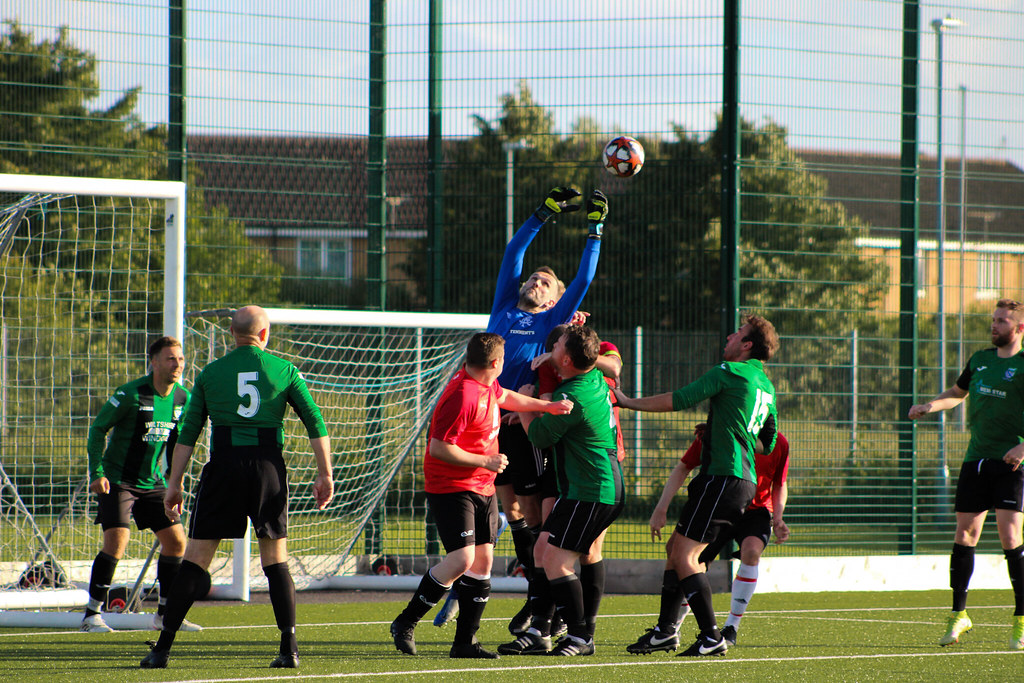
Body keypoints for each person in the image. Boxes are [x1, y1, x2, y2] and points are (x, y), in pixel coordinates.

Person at [139, 306, 333, 669]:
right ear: (264, 335)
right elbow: (315, 421)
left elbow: (188, 434)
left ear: (232, 333)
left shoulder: (211, 374)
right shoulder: (284, 369)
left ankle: (162, 649)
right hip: (267, 468)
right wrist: (325, 474)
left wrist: (174, 484)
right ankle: (288, 648)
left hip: (224, 466)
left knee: (195, 561)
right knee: (276, 560)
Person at [389, 332, 573, 659]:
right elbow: (438, 448)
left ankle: (464, 643)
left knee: (482, 563)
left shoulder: (487, 384)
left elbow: (509, 398)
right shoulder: (462, 394)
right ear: (495, 363)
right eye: (504, 357)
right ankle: (405, 621)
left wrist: (549, 406)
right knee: (463, 559)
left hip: (482, 486)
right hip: (452, 487)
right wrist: (484, 460)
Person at [615, 314, 779, 657]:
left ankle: (710, 635)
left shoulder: (729, 371)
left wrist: (628, 402)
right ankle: (664, 631)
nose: (730, 337)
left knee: (687, 555)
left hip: (724, 477)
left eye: (737, 334)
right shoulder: (766, 386)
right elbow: (769, 440)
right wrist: (736, 434)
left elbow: (679, 399)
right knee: (676, 547)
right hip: (735, 478)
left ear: (747, 345)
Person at [486, 186, 606, 633]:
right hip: (489, 420)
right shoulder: (503, 306)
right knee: (510, 510)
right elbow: (515, 249)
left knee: (535, 513)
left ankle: (545, 605)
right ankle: (535, 594)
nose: (537, 282)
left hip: (524, 422)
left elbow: (584, 281)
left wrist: (594, 231)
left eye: (546, 283)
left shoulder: (548, 323)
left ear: (555, 300)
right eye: (533, 278)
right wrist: (544, 213)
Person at [497, 324, 623, 657]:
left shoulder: (573, 397)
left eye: (557, 346)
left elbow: (538, 436)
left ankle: (581, 636)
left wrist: (525, 408)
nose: (550, 347)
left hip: (594, 489)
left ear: (565, 359)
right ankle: (541, 631)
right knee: (542, 550)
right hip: (588, 486)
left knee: (557, 559)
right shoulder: (589, 377)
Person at [908, 297, 1024, 651]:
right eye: (993, 319)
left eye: (1002, 321)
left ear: (1019, 329)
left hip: (1012, 464)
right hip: (976, 461)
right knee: (965, 534)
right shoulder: (980, 360)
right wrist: (931, 405)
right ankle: (959, 614)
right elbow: (957, 394)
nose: (994, 325)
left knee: (1009, 536)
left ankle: (1021, 620)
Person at [628, 424, 790, 653]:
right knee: (684, 557)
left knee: (751, 552)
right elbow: (684, 466)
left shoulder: (778, 443)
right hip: (721, 507)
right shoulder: (719, 433)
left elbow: (779, 483)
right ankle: (672, 627)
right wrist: (661, 507)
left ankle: (730, 628)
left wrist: (778, 518)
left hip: (755, 511)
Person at [82, 336, 198, 633]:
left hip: (154, 483)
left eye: (180, 359)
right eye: (171, 359)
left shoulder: (182, 398)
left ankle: (165, 616)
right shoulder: (130, 394)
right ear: (154, 362)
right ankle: (91, 615)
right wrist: (97, 472)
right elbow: (98, 430)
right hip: (118, 480)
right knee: (118, 541)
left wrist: (176, 484)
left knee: (176, 543)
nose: (177, 365)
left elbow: (176, 446)